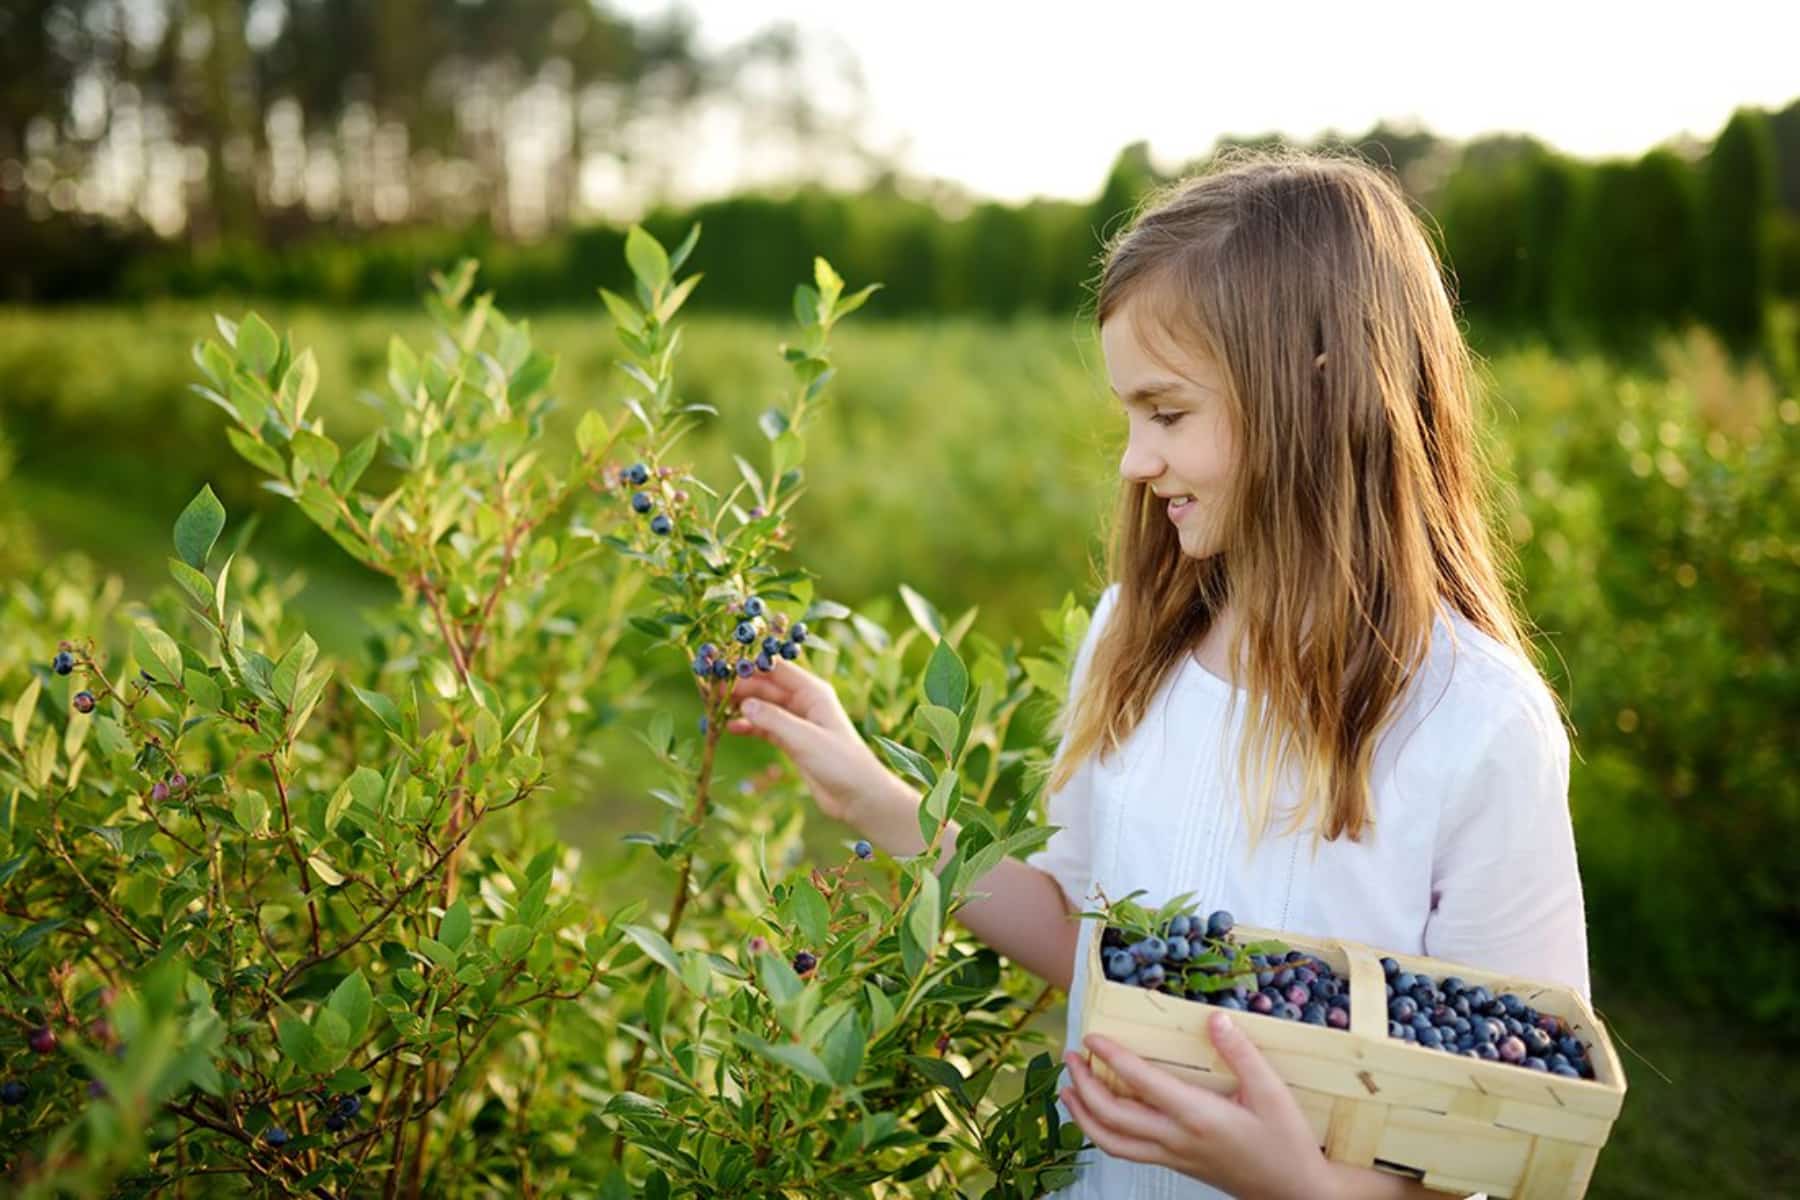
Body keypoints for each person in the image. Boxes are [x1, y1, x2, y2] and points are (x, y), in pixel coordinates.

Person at [724, 147, 1589, 1199]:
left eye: (1168, 414)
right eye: (1131, 416)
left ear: (1315, 393)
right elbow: (1081, 934)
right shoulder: (1136, 637)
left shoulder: (1475, 723)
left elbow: (1517, 1121)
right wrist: (867, 787)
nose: (1134, 459)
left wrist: (1294, 1183)